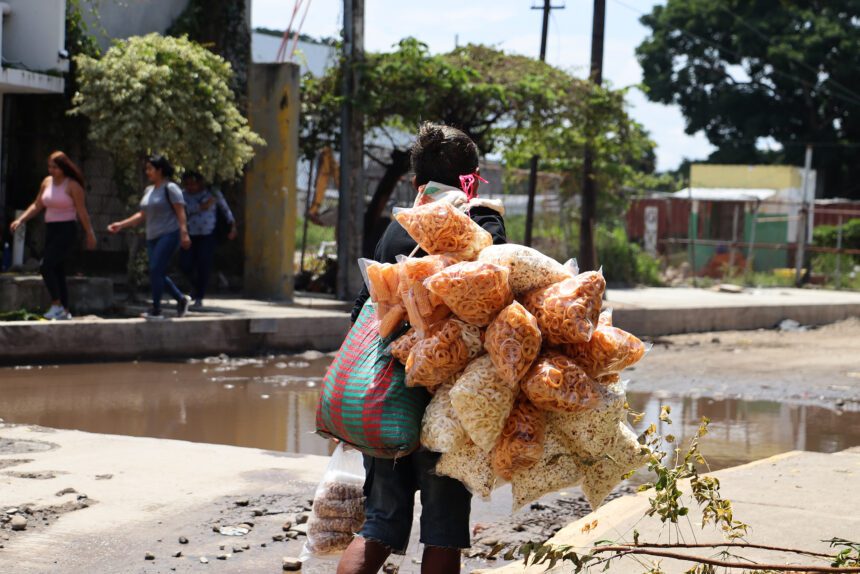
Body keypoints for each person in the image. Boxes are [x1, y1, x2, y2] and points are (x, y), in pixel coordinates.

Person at [339, 123, 506, 574]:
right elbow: (502, 300)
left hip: (387, 394)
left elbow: (362, 309)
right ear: (472, 177)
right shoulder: (482, 220)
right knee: (443, 534)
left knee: (378, 526)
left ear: (418, 184)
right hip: (447, 406)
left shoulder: (397, 228)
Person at [9, 151, 97, 320]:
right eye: (49, 167)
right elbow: (37, 205)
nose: (51, 170)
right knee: (57, 269)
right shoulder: (47, 182)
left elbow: (82, 212)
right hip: (51, 229)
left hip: (67, 230)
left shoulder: (72, 186)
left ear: (64, 168)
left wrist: (89, 233)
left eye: (55, 167)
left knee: (46, 266)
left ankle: (56, 304)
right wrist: (21, 220)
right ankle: (64, 310)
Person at [107, 154, 191, 320]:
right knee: (156, 271)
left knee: (155, 270)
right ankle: (180, 299)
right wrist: (121, 224)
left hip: (169, 234)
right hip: (152, 236)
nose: (147, 172)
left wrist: (184, 233)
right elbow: (141, 215)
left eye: (150, 169)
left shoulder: (171, 188)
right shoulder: (149, 190)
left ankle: (156, 309)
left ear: (160, 170)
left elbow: (181, 212)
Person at [178, 171, 237, 309]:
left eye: (193, 184)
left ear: (200, 183)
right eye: (187, 184)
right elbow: (182, 212)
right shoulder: (182, 195)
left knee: (204, 264)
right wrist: (201, 207)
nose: (190, 187)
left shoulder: (213, 194)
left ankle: (200, 296)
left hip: (207, 234)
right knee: (185, 264)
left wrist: (232, 227)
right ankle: (195, 286)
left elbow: (225, 210)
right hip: (189, 234)